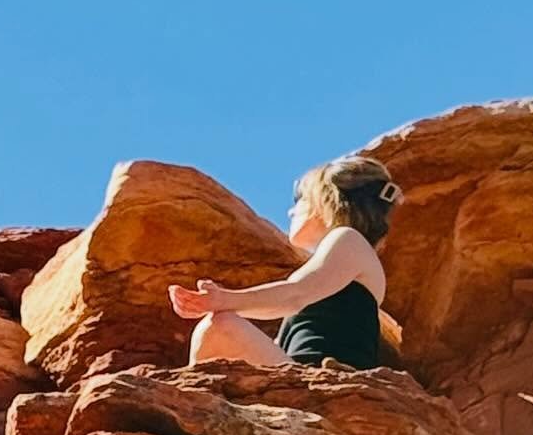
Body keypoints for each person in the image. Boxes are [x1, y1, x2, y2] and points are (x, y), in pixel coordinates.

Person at [168, 155, 402, 369]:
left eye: (299, 199)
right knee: (217, 329)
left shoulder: (349, 239)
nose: (291, 211)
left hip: (321, 383)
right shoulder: (347, 255)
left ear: (323, 201)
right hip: (302, 381)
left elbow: (295, 295)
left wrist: (222, 300)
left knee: (220, 327)